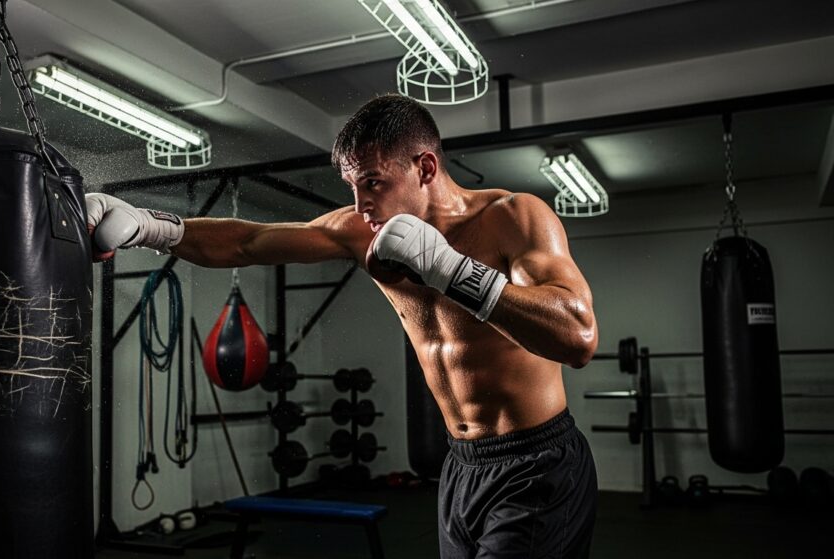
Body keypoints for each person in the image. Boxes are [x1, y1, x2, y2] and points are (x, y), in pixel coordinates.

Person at [87, 94, 599, 558]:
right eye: (353, 187)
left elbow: (577, 338)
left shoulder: (514, 217)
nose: (361, 206)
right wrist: (150, 227)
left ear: (425, 167)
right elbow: (249, 242)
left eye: (374, 182)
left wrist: (450, 271)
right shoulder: (363, 231)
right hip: (461, 466)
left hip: (537, 465)